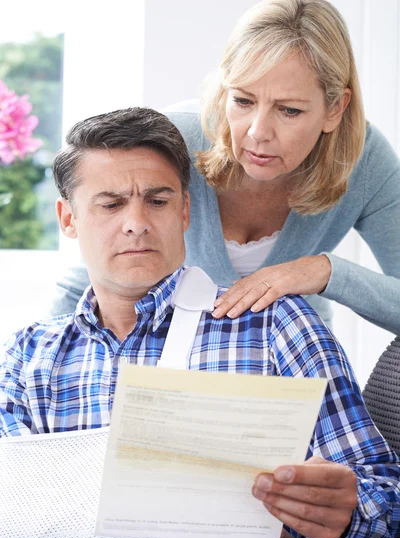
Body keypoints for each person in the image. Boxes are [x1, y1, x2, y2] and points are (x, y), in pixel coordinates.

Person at [1, 107, 399, 538]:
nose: (137, 224)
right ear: (68, 219)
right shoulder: (30, 356)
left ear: (185, 211)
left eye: (158, 200)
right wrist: (165, 536)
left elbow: (386, 515)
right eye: (110, 204)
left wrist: (346, 517)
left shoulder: (275, 325)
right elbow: (9, 527)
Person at [50, 0, 400, 334]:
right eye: (243, 101)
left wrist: (324, 271)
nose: (258, 132)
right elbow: (93, 270)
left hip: (290, 358)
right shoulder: (174, 140)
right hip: (167, 361)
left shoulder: (364, 162)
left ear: (335, 108)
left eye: (289, 110)